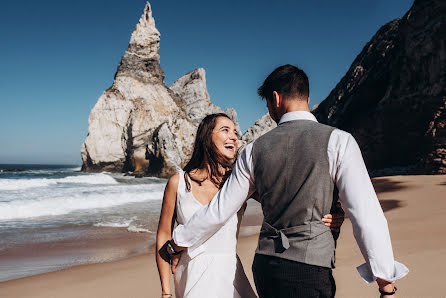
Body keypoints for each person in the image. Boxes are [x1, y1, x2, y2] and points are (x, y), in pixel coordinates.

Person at [171, 65, 409, 298]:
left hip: (265, 267)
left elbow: (219, 210)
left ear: (275, 98)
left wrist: (178, 242)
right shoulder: (339, 141)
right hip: (309, 266)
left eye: (267, 105)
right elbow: (366, 215)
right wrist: (385, 283)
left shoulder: (253, 150)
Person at [156, 113, 345, 298]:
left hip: (228, 276)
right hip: (189, 274)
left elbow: (291, 203)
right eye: (225, 130)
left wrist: (332, 212)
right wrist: (166, 291)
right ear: (206, 137)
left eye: (235, 133)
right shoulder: (178, 182)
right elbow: (163, 235)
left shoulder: (240, 183)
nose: (234, 137)